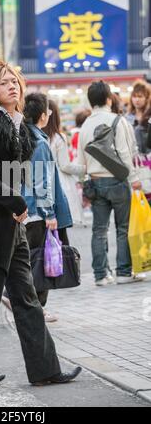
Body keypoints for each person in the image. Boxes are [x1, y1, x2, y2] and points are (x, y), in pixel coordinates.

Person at [0, 59, 81, 386]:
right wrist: (18, 202)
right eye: (4, 82)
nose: (12, 86)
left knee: (27, 299)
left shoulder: (16, 124)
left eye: (15, 81)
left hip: (14, 228)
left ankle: (45, 368)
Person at [77, 81, 145, 286]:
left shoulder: (85, 125)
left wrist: (83, 184)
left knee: (99, 229)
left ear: (91, 101)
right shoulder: (118, 121)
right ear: (109, 99)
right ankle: (124, 272)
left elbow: (82, 161)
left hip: (95, 183)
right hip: (118, 181)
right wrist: (134, 179)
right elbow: (125, 153)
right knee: (122, 228)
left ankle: (100, 275)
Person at [22, 93, 73, 321]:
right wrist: (49, 213)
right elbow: (42, 181)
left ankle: (26, 303)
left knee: (32, 259)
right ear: (43, 116)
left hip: (25, 208)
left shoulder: (22, 137)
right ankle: (34, 307)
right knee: (40, 260)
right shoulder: (40, 143)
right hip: (36, 212)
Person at [43, 99, 86, 226]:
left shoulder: (33, 136)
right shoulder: (57, 138)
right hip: (58, 184)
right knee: (61, 229)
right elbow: (65, 166)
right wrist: (85, 169)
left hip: (40, 184)